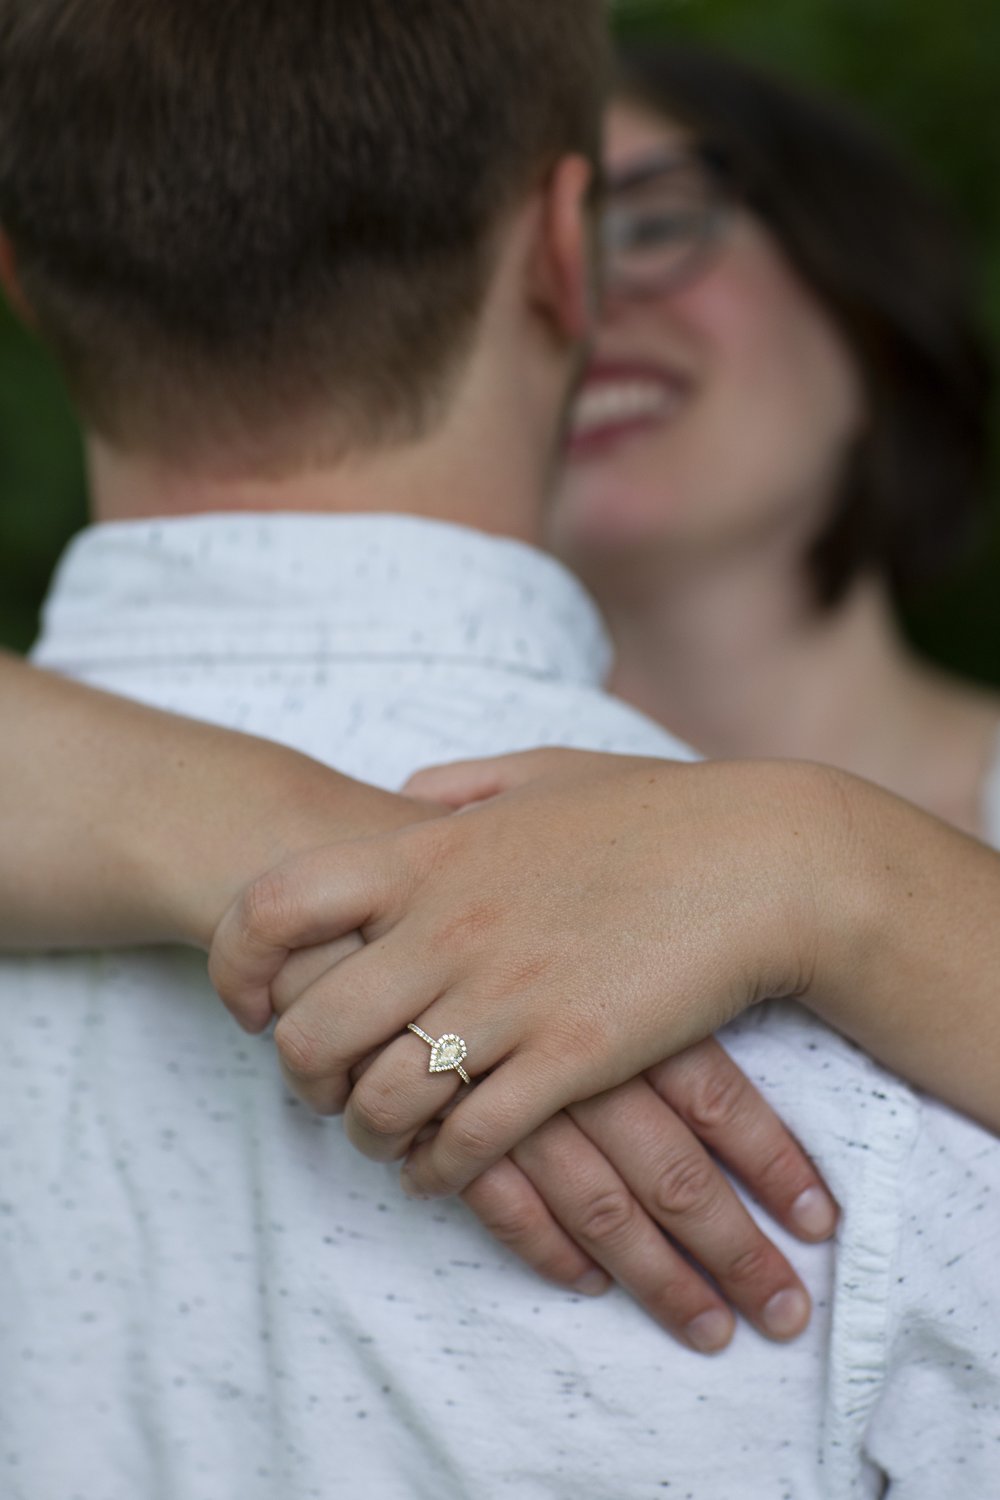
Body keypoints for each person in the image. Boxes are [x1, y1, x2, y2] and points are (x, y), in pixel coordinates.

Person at [0, 8, 996, 1495]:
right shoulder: (882, 1126)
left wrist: (833, 863)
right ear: (563, 249)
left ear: (21, 276)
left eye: (695, 222)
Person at [554, 42, 1000, 837]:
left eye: (653, 222)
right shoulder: (377, 833)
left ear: (863, 312)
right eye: (531, 271)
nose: (581, 304)